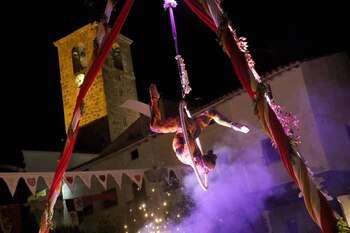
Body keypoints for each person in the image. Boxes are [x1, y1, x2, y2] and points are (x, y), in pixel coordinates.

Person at [149, 83, 249, 175]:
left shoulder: (191, 157)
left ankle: (233, 125)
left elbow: (201, 164)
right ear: (202, 164)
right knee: (155, 127)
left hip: (193, 130)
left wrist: (183, 110)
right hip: (187, 128)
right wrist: (183, 110)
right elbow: (186, 134)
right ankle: (154, 99)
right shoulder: (190, 155)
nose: (202, 171)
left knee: (211, 113)